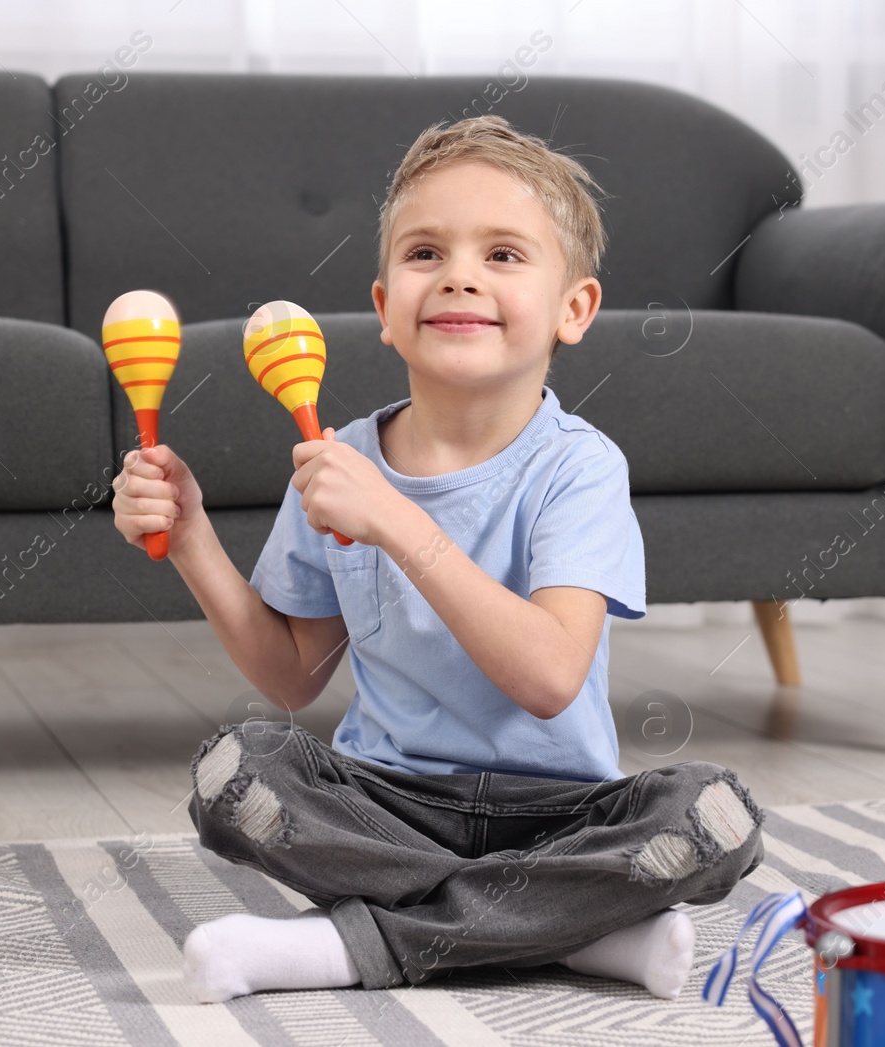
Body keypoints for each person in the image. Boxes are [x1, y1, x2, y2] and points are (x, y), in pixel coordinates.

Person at [111, 114, 764, 1004]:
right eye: (426, 253)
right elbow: (293, 675)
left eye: (503, 255)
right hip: (385, 806)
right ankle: (573, 931)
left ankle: (341, 950)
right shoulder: (340, 457)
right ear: (384, 309)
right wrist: (191, 539)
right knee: (239, 771)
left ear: (574, 310)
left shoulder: (580, 467)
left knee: (711, 813)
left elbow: (547, 677)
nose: (460, 272)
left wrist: (398, 524)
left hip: (562, 816)